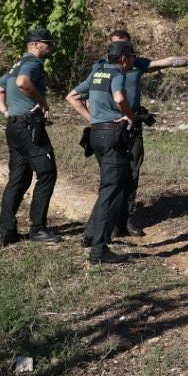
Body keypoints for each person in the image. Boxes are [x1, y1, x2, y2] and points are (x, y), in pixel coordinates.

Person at [96, 27, 188, 237]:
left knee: (132, 171)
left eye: (124, 44)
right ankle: (107, 221)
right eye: (115, 44)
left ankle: (125, 219)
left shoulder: (137, 64)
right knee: (110, 174)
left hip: (133, 125)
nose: (120, 49)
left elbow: (170, 61)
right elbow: (87, 95)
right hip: (110, 127)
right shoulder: (101, 67)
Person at [64, 39, 138, 265]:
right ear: (124, 59)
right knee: (112, 190)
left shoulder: (96, 74)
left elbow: (72, 97)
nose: (132, 62)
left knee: (110, 184)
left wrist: (93, 119)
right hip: (113, 135)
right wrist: (130, 116)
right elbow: (119, 98)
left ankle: (90, 234)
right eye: (132, 58)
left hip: (96, 134)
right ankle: (99, 250)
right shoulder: (118, 74)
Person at [0, 28, 62, 246]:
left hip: (14, 126)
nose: (50, 48)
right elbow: (23, 82)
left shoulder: (16, 64)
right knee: (47, 172)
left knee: (19, 178)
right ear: (36, 44)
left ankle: (7, 230)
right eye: (48, 44)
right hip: (29, 127)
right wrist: (42, 102)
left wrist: (5, 111)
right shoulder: (32, 63)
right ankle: (38, 229)